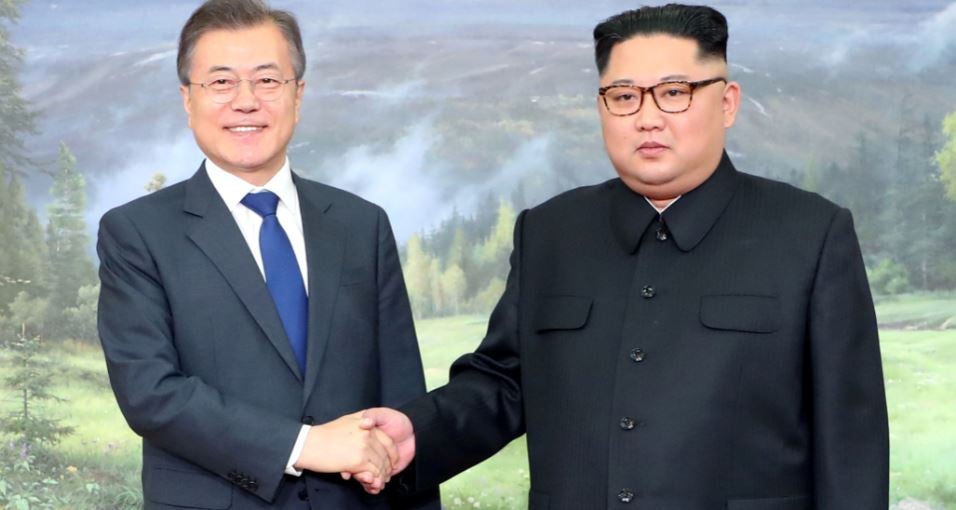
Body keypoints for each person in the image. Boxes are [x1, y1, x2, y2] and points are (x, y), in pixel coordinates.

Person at [364, 4, 889, 509]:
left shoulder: (810, 233)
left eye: (674, 93)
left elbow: (852, 445)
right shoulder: (550, 232)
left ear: (727, 102)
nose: (647, 118)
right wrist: (417, 432)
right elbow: (505, 384)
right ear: (602, 106)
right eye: (624, 96)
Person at [96, 0, 439, 508]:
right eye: (221, 82)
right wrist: (307, 445)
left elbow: (403, 400)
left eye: (267, 81)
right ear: (187, 100)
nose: (246, 101)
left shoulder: (361, 224)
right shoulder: (137, 233)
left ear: (298, 95)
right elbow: (151, 393)